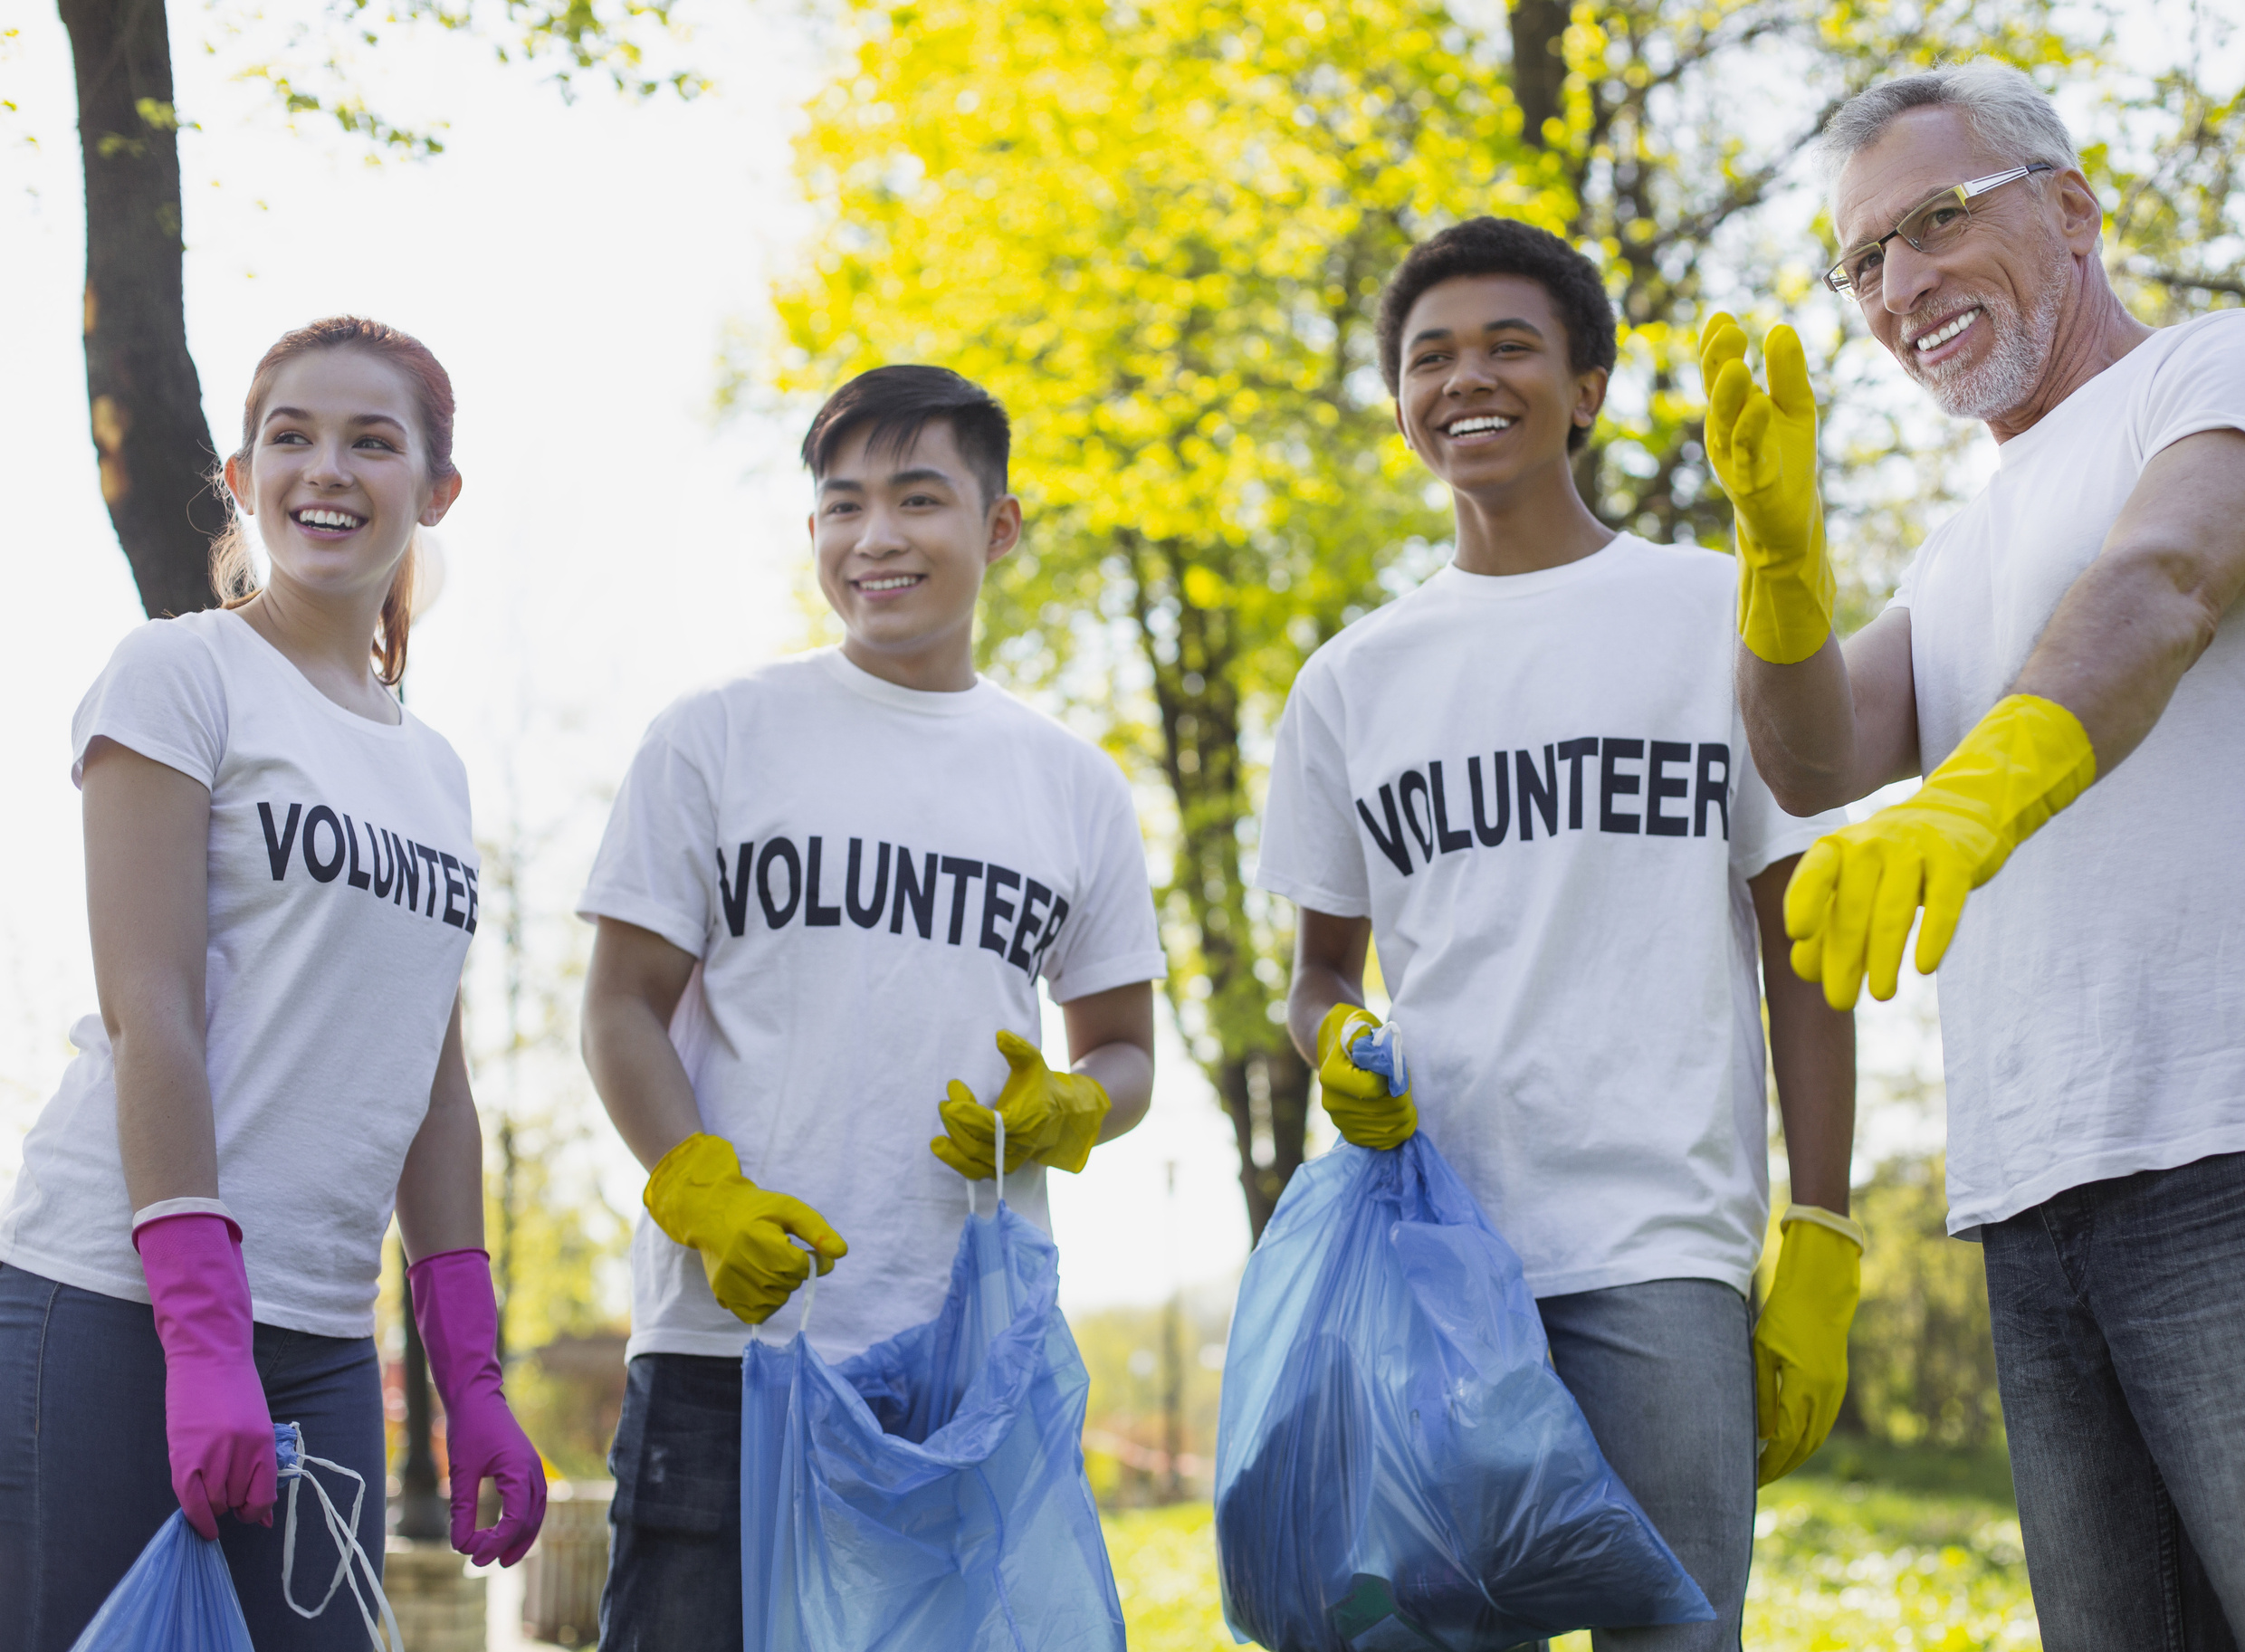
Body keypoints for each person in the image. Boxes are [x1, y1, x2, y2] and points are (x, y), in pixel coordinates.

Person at [1703, 60, 2245, 1649]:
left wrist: (1976, 798)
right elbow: (1810, 752)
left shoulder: (2228, 369)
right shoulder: (1958, 541)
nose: (1898, 285)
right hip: (2031, 1192)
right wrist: (1778, 569)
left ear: (2069, 207)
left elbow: (2167, 577)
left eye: (1932, 221)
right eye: (1861, 262)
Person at [1255, 217, 1860, 1649]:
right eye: (1429, 357)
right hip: (1439, 1260)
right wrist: (1334, 1033)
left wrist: (1822, 1225)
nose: (1467, 378)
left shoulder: (1713, 613)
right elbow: (1318, 971)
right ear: (1400, 401)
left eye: (1509, 346)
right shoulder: (1350, 680)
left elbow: (1799, 938)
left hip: (1662, 1246)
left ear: (1586, 386)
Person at [579, 364, 1166, 1652]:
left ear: (998, 525)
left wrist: (1067, 1107)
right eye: (842, 506)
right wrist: (697, 1183)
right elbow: (620, 1006)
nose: (876, 538)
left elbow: (1125, 1051)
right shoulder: (715, 737)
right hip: (729, 1352)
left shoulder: (1070, 786)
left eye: (918, 498)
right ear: (813, 533)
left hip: (964, 1363)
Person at [0, 318, 544, 1652]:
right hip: (122, 1303)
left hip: (321, 1335)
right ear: (242, 477)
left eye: (373, 440)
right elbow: (151, 1012)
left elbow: (436, 1092)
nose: (327, 469)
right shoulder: (179, 674)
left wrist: (469, 1372)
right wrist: (199, 1336)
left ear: (435, 491)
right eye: (291, 437)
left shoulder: (434, 769)